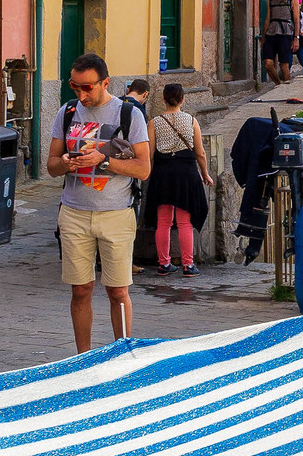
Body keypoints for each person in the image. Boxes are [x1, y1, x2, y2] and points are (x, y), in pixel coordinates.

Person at [47, 53, 151, 352]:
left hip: (116, 213)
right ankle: (83, 358)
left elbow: (143, 169)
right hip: (74, 213)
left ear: (105, 83)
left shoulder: (129, 115)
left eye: (87, 87)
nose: (81, 95)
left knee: (118, 291)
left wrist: (103, 161)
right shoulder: (67, 112)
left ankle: (123, 355)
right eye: (75, 86)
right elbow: (51, 166)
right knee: (80, 290)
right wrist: (65, 163)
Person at [147, 79, 211, 276]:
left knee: (163, 221)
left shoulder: (154, 123)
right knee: (185, 222)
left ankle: (163, 264)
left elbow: (150, 153)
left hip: (163, 173)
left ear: (164, 100)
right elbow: (200, 153)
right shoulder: (191, 121)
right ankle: (188, 265)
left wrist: (148, 175)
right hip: (186, 173)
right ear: (182, 99)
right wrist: (205, 173)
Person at [261, 0, 299, 85]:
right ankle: (278, 84)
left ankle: (286, 88)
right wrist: (263, 36)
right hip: (271, 33)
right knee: (268, 63)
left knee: (284, 65)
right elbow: (268, 18)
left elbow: (296, 20)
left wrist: (296, 38)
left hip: (286, 33)